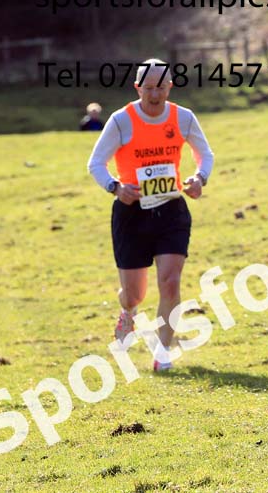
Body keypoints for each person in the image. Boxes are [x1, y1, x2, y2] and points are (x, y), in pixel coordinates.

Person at [87, 59, 215, 372]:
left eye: (160, 87)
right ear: (137, 88)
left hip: (171, 209)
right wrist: (116, 187)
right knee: (134, 294)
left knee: (170, 282)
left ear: (170, 87)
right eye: (148, 88)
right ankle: (128, 313)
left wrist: (200, 178)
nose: (155, 95)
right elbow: (96, 163)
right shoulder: (121, 121)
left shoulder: (183, 117)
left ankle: (163, 351)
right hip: (132, 213)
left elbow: (205, 154)